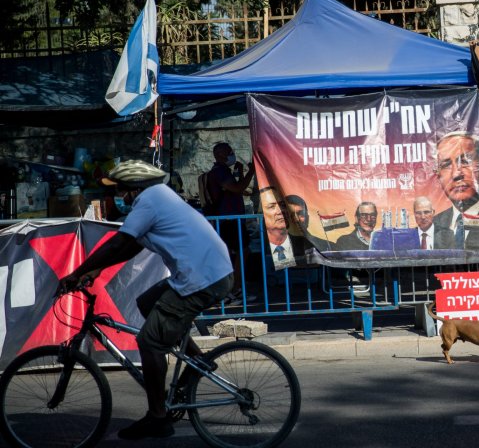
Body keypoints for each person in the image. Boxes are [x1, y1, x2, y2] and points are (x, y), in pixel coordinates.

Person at [59, 160, 233, 439]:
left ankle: (157, 417)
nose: (118, 196)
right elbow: (131, 246)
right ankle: (198, 362)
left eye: (121, 190)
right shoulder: (159, 197)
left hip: (201, 279)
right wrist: (95, 269)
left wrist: (76, 273)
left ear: (134, 188)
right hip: (207, 273)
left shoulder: (149, 201)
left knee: (149, 342)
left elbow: (119, 243)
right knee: (146, 303)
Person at [205, 142, 256, 299]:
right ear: (220, 155)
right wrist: (251, 173)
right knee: (242, 252)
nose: (232, 154)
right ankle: (234, 289)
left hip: (231, 218)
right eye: (229, 152)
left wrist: (240, 173)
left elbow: (237, 188)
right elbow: (237, 189)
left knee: (236, 253)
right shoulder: (219, 171)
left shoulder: (224, 171)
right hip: (229, 219)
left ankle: (232, 288)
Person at [432, 132, 479, 251]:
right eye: (446, 165)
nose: (456, 174)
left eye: (465, 161)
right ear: (438, 175)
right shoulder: (433, 224)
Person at [259, 187, 307, 269]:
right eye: (271, 207)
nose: (280, 211)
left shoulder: (299, 237)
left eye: (282, 205)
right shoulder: (265, 242)